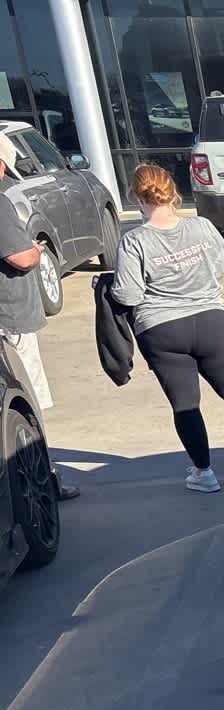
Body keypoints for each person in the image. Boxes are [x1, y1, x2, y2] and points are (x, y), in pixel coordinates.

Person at [110, 162, 224, 493]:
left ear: (137, 197)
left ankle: (203, 473)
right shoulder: (203, 227)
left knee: (185, 404)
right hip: (209, 321)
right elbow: (223, 263)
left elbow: (129, 294)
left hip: (160, 328)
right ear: (173, 192)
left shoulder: (134, 241)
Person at [0, 132, 79, 499]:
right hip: (11, 321)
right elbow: (18, 257)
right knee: (24, 404)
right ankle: (44, 483)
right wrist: (33, 251)